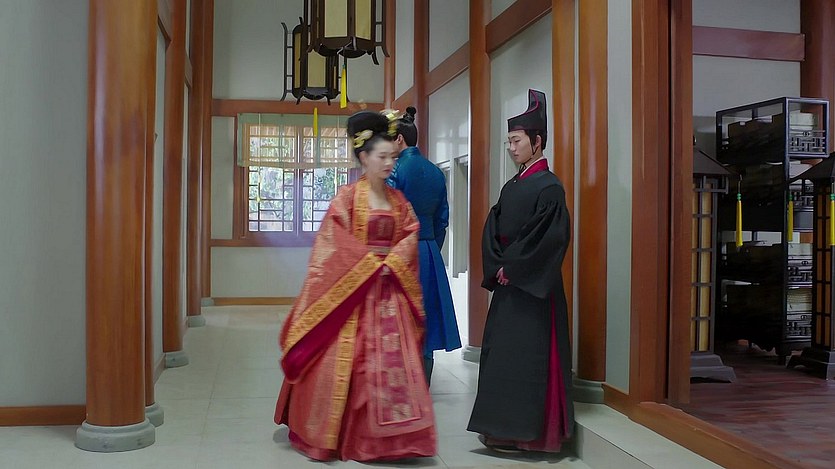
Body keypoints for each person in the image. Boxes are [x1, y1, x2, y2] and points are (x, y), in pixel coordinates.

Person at [274, 111, 437, 462]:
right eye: (382, 157)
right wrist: (367, 266)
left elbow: (410, 234)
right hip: (353, 294)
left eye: (392, 157)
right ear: (364, 158)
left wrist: (392, 263)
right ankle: (345, 435)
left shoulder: (399, 201)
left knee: (392, 363)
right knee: (349, 364)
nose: (389, 164)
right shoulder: (347, 198)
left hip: (389, 289)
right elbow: (332, 243)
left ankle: (396, 439)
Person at [467, 89, 574, 453]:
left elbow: (548, 238)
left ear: (537, 141)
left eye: (517, 141)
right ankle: (499, 428)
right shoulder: (513, 185)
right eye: (509, 142)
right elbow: (493, 228)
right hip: (508, 285)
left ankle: (530, 435)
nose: (512, 148)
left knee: (529, 359)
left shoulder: (550, 188)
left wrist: (512, 267)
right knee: (502, 356)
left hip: (533, 289)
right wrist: (498, 264)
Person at [386, 106, 461, 385]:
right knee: (426, 317)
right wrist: (431, 247)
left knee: (399, 318)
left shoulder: (395, 170)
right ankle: (423, 382)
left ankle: (401, 383)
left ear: (399, 140)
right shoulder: (435, 172)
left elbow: (389, 215)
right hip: (429, 250)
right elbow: (442, 220)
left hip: (401, 251)